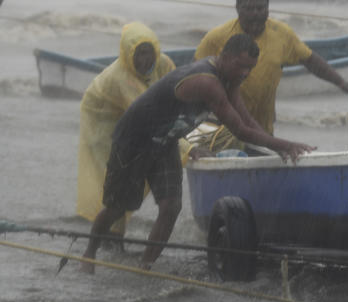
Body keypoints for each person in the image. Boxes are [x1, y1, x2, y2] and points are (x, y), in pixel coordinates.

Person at [80, 33, 314, 273]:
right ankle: (89, 254)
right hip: (134, 140)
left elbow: (247, 120)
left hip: (166, 141)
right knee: (117, 207)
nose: (245, 73)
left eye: (250, 68)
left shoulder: (231, 78)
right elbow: (240, 130)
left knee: (170, 207)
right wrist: (285, 146)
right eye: (241, 66)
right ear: (224, 56)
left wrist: (277, 147)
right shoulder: (207, 82)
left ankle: (145, 266)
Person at [194, 0, 348, 152]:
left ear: (268, 9)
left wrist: (340, 82)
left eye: (260, 8)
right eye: (248, 9)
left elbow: (310, 60)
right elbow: (195, 77)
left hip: (262, 129)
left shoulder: (282, 35)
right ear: (237, 8)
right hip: (221, 129)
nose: (255, 14)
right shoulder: (216, 38)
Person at [76, 22, 195, 239]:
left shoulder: (164, 63)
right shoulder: (121, 78)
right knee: (114, 187)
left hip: (135, 118)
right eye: (139, 54)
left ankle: (117, 242)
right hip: (104, 119)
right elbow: (149, 117)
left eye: (148, 53)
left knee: (149, 186)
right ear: (127, 54)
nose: (145, 60)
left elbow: (178, 96)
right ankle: (111, 240)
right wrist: (188, 149)